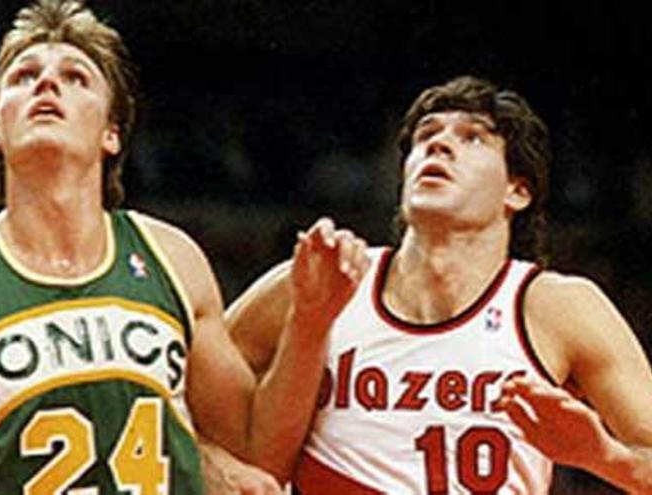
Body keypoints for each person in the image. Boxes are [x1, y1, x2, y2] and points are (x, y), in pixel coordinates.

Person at [0, 1, 364, 493]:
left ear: (111, 132)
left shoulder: (171, 256)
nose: (46, 84)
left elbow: (251, 449)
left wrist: (310, 323)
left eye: (75, 76)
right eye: (23, 76)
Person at [226, 76, 652, 493]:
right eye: (426, 135)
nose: (439, 143)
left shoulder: (558, 307)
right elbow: (185, 394)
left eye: (473, 138)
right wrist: (217, 463)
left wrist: (599, 457)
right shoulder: (324, 281)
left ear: (517, 191)